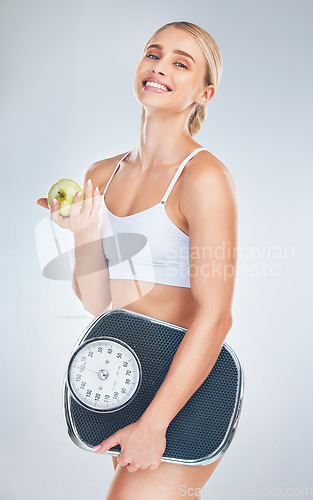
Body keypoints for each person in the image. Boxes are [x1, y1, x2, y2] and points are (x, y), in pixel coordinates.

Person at [37, 20, 238, 500]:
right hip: (127, 377)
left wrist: (155, 422)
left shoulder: (203, 177)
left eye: (180, 63)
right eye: (154, 53)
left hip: (186, 389)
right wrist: (84, 232)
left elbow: (216, 315)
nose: (159, 67)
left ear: (204, 94)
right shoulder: (101, 174)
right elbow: (98, 302)